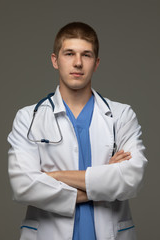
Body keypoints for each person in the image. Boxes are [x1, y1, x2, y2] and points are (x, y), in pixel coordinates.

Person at [8, 22, 147, 240]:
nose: (78, 63)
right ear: (55, 60)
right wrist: (104, 179)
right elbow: (23, 186)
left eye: (87, 55)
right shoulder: (28, 118)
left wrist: (53, 177)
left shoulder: (121, 115)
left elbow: (132, 179)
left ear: (96, 63)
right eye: (69, 53)